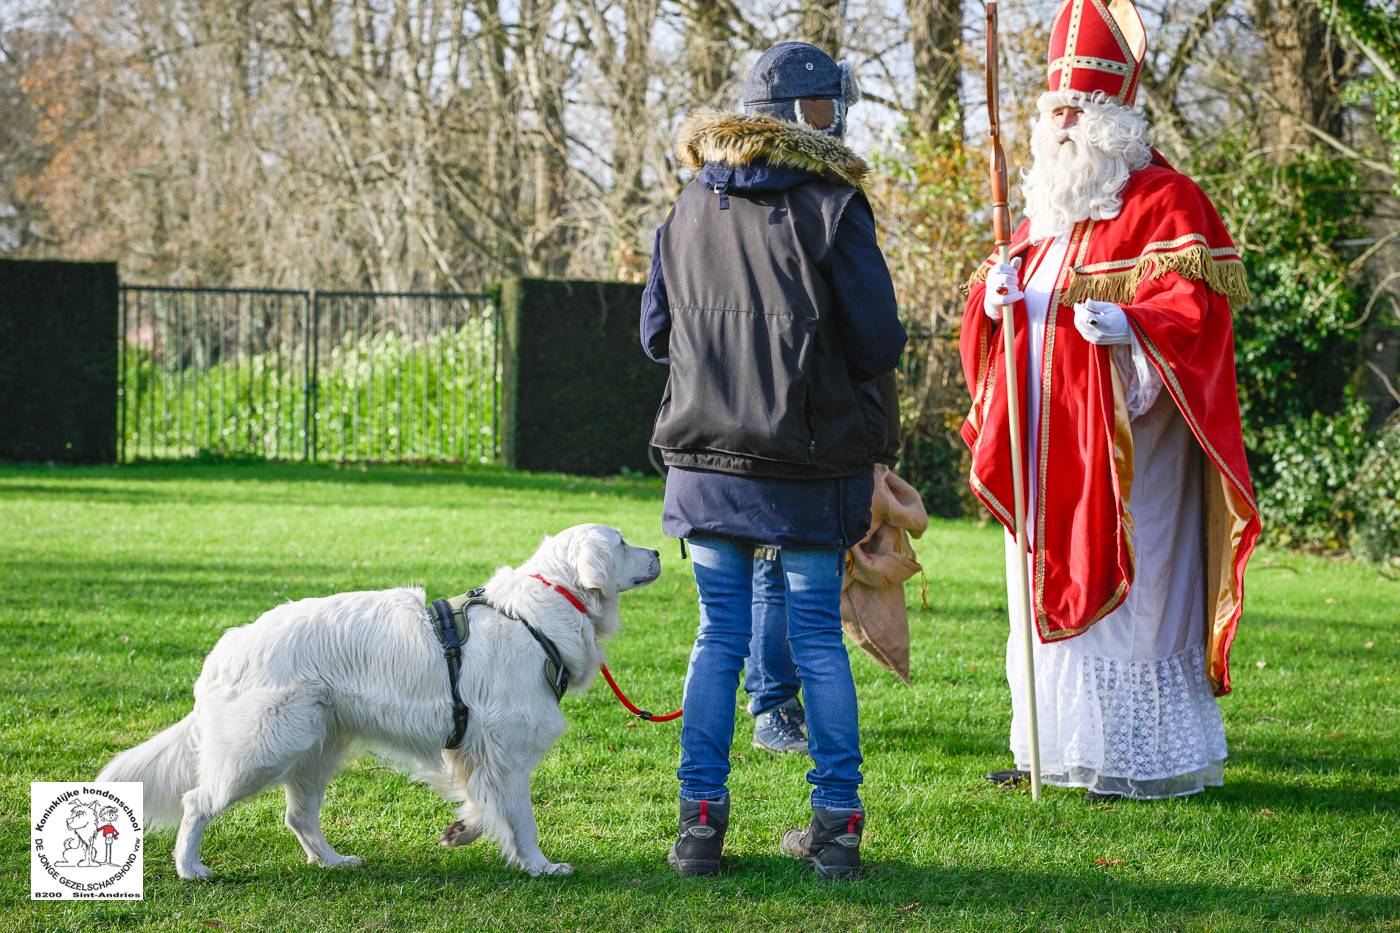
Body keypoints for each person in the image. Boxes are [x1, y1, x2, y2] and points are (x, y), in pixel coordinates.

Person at [961, 0, 1260, 802]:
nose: (1060, 125)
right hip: (1041, 443)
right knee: (1036, 594)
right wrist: (988, 305)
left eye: (1076, 109)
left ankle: (1131, 757)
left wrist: (1132, 323)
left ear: (1114, 115)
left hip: (1133, 457)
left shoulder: (1169, 202)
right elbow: (1014, 310)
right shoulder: (1043, 213)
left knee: (1133, 596)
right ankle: (1050, 748)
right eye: (1052, 109)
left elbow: (1199, 320)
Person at [640, 41, 906, 877]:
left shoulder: (687, 203)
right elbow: (878, 341)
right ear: (801, 115)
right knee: (818, 642)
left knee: (717, 636)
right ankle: (835, 830)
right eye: (831, 104)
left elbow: (653, 335)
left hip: (703, 462)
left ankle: (699, 830)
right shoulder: (835, 204)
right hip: (806, 463)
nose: (841, 118)